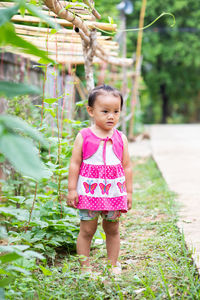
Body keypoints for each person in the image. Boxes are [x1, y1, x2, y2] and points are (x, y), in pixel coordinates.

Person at [67, 84, 132, 274]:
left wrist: (128, 192)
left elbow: (126, 166)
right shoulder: (84, 136)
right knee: (87, 230)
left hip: (114, 194)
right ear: (91, 111)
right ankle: (85, 268)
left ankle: (113, 265)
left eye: (116, 111)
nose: (111, 116)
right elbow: (74, 164)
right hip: (88, 193)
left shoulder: (121, 138)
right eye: (105, 111)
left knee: (112, 230)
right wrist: (72, 190)